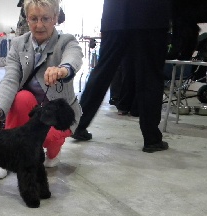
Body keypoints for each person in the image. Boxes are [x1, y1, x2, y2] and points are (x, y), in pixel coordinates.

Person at [0, 0, 83, 179]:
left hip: (57, 114)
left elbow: (74, 57)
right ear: (27, 20)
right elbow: (10, 80)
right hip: (31, 111)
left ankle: (53, 153)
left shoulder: (66, 41)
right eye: (34, 18)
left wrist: (63, 69)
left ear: (55, 18)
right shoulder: (17, 44)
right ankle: (6, 156)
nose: (39, 25)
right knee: (20, 98)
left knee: (46, 135)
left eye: (46, 18)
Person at [71, 0, 171, 153]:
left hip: (115, 14)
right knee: (149, 75)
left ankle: (78, 125)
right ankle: (152, 138)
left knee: (102, 71)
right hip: (150, 15)